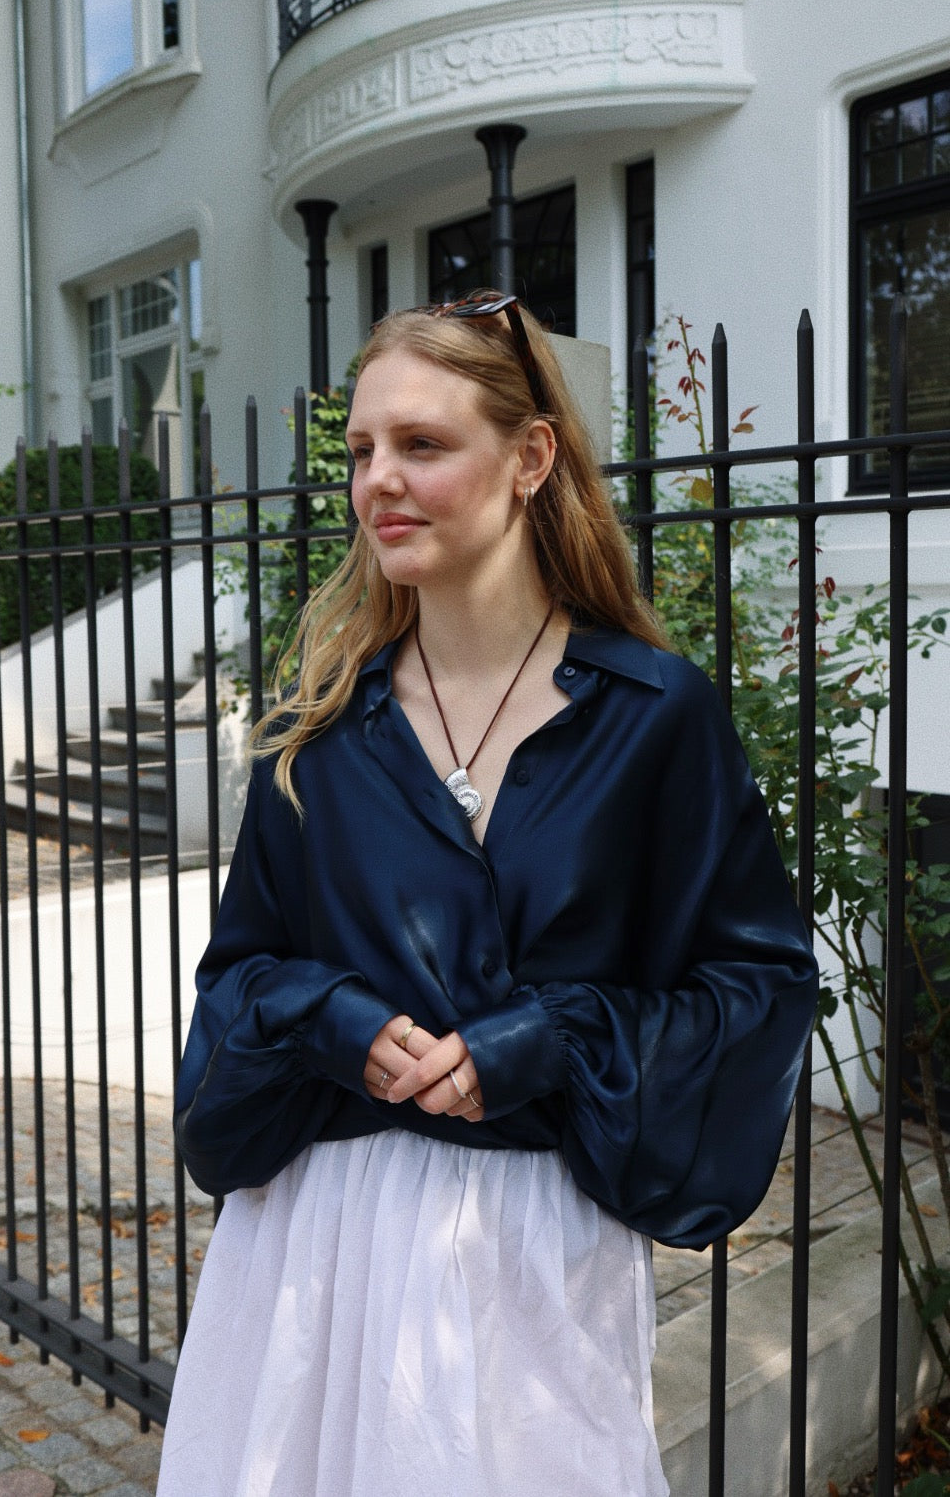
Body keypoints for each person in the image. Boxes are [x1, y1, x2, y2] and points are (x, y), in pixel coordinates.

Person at [157, 291, 818, 1497]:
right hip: (313, 1258)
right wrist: (333, 1022)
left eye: (421, 443)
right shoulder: (320, 732)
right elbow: (235, 991)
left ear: (531, 458)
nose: (379, 480)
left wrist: (548, 1041)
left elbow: (758, 993)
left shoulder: (653, 717)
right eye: (362, 449)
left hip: (535, 1267)